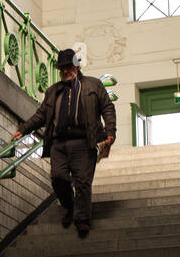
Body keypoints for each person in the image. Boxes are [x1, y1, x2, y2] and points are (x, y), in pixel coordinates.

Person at [11, 47, 116, 237]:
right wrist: (23, 129)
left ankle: (82, 219)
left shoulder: (93, 85)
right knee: (58, 178)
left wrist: (110, 131)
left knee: (82, 182)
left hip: (85, 142)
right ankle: (70, 207)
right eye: (62, 68)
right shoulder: (53, 91)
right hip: (59, 144)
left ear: (76, 66)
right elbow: (41, 115)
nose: (65, 71)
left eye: (68, 67)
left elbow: (107, 107)